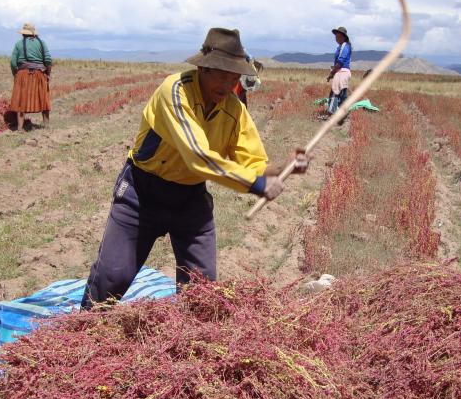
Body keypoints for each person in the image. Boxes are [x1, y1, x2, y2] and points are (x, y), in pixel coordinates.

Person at [81, 28, 308, 308]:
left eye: (234, 77)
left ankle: (190, 344)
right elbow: (198, 156)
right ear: (203, 68)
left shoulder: (234, 109)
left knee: (202, 291)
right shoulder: (175, 91)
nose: (227, 85)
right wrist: (257, 185)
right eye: (222, 75)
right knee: (113, 277)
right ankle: (84, 327)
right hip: (141, 194)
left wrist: (284, 168)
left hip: (189, 199)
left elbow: (252, 162)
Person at [9, 23, 52, 130]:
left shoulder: (19, 44)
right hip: (39, 74)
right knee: (44, 99)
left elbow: (13, 62)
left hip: (22, 74)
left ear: (23, 34)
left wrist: (16, 74)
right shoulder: (42, 43)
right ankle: (46, 126)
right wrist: (48, 74)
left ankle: (20, 128)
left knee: (21, 100)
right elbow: (48, 60)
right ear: (34, 34)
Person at [325, 26, 352, 116]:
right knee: (341, 93)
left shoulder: (345, 46)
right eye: (336, 36)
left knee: (336, 93)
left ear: (343, 37)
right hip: (340, 72)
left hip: (342, 72)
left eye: (338, 36)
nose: (336, 37)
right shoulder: (340, 47)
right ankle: (341, 114)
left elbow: (340, 61)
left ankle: (333, 115)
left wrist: (332, 73)